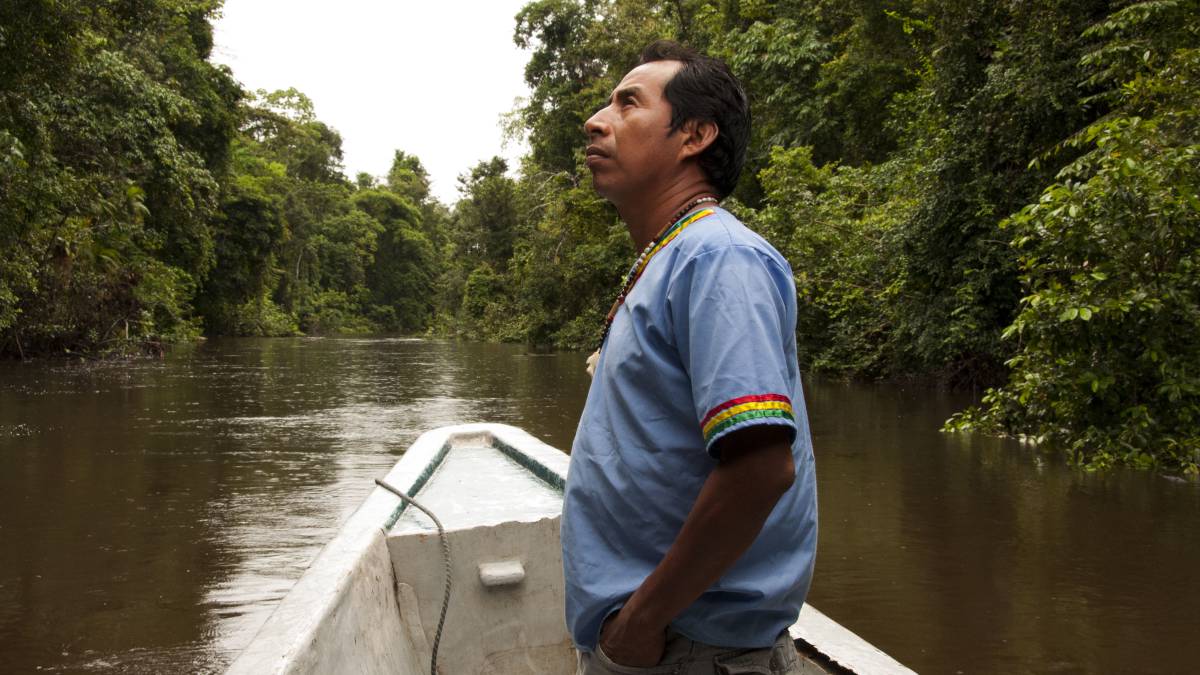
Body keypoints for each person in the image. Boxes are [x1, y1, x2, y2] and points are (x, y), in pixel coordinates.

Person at [562, 40, 819, 675]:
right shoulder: (670, 258)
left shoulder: (716, 258)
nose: (597, 120)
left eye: (627, 103)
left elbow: (761, 467)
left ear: (695, 135)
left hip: (685, 649)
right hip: (665, 642)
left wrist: (640, 623)